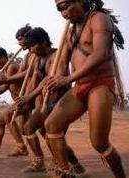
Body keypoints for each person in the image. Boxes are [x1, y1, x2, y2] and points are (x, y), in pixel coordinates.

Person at [44, 0, 126, 177]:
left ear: (81, 1)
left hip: (100, 84)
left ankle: (121, 176)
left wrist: (68, 78)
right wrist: (55, 80)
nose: (64, 13)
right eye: (60, 9)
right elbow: (62, 62)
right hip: (80, 86)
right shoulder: (70, 32)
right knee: (51, 125)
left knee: (99, 143)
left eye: (67, 6)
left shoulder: (99, 19)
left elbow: (100, 53)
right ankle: (66, 172)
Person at [15, 27, 85, 177]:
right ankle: (39, 163)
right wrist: (26, 100)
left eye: (34, 45)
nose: (32, 49)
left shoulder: (57, 55)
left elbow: (50, 79)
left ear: (44, 42)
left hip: (62, 102)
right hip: (46, 104)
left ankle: (71, 167)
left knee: (53, 138)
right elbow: (35, 80)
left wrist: (30, 96)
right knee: (29, 128)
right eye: (30, 46)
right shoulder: (38, 57)